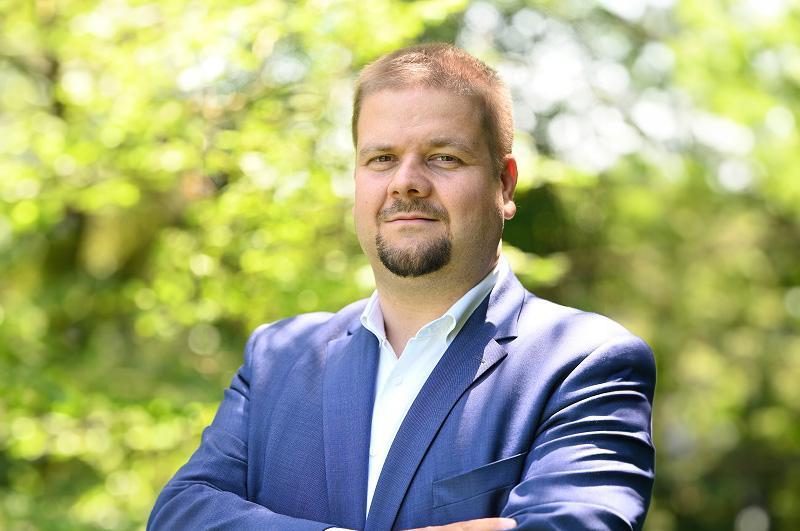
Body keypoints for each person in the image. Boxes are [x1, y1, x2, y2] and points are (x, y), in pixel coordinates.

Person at [148, 43, 656, 531]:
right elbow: (180, 515)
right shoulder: (276, 356)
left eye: (443, 157)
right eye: (382, 159)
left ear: (503, 184)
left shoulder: (583, 362)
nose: (405, 182)